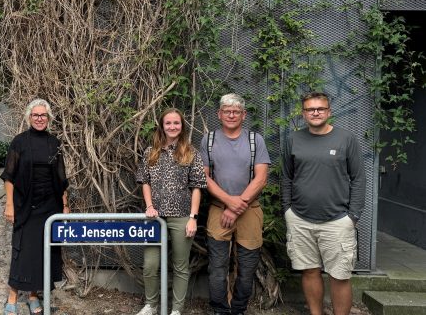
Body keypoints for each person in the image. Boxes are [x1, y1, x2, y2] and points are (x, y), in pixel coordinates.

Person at [281, 92, 365, 315]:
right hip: (300, 218)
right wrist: (287, 210)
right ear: (303, 113)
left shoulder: (346, 139)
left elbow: (358, 177)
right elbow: (287, 177)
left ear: (329, 112)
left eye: (320, 108)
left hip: (338, 220)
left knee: (340, 276)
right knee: (309, 271)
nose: (315, 112)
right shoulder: (293, 139)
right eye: (310, 109)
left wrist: (353, 216)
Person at [200, 93, 271, 315]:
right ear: (219, 114)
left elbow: (261, 178)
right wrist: (229, 203)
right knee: (217, 266)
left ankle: (239, 309)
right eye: (227, 111)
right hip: (218, 210)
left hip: (250, 210)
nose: (231, 115)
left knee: (248, 266)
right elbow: (205, 178)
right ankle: (220, 309)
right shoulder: (208, 140)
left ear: (243, 115)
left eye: (236, 111)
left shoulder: (255, 140)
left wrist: (237, 205)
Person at [1, 99, 70, 315]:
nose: (39, 119)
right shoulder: (19, 142)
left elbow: (61, 178)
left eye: (43, 115)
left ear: (48, 118)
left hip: (50, 205)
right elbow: (9, 177)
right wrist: (10, 204)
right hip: (25, 204)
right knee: (22, 250)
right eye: (35, 115)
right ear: (29, 117)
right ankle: (12, 296)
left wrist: (65, 205)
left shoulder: (54, 143)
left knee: (43, 251)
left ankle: (33, 296)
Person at [135, 108, 206, 315]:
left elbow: (197, 187)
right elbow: (145, 181)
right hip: (154, 217)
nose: (172, 127)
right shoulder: (150, 152)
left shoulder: (191, 152)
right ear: (162, 125)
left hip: (182, 216)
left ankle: (176, 309)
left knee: (180, 266)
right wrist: (149, 206)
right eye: (168, 123)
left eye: (176, 123)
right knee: (150, 264)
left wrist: (193, 218)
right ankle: (151, 305)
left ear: (182, 126)